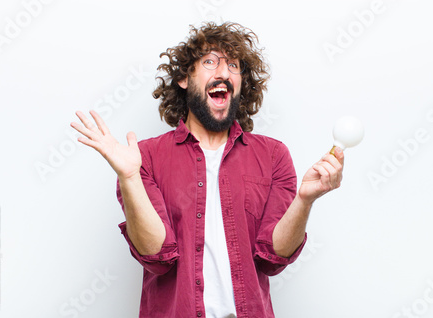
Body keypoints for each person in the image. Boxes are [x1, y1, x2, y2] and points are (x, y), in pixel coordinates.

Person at [71, 21, 344, 318]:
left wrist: (305, 200)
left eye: (234, 65)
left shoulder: (273, 155)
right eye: (210, 62)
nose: (223, 73)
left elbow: (273, 259)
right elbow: (156, 257)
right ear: (185, 78)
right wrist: (130, 177)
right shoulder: (144, 159)